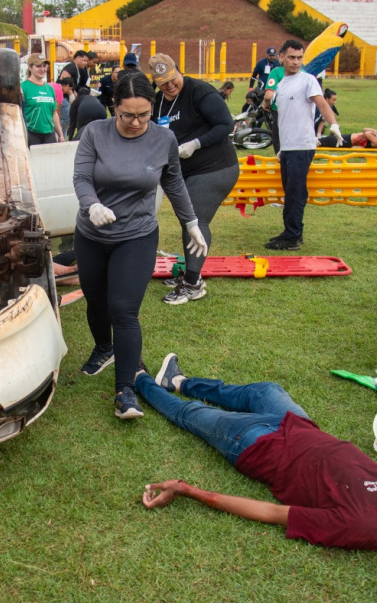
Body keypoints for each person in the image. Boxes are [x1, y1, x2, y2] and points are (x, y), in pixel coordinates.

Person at [136, 354, 377, 577]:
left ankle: (138, 379)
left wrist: (188, 490)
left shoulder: (360, 528)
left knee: (191, 415)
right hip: (301, 426)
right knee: (264, 391)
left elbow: (271, 513)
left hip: (259, 447)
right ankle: (179, 381)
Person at [72, 74, 205, 419]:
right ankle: (104, 348)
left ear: (152, 109)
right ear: (114, 108)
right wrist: (91, 205)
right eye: (127, 115)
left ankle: (125, 392)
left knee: (123, 310)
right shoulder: (95, 133)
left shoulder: (163, 139)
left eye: (143, 115)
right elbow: (82, 177)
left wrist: (190, 223)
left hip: (137, 234)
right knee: (96, 300)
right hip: (92, 233)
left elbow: (173, 182)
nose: (135, 123)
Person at [150, 54, 241, 305]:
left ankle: (193, 282)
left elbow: (226, 124)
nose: (169, 86)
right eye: (162, 83)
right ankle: (191, 272)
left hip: (215, 167)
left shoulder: (199, 91)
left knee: (195, 220)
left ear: (179, 71)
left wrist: (196, 144)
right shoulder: (158, 102)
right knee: (186, 220)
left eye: (172, 79)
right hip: (183, 172)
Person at [262, 39, 342, 251]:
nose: (296, 62)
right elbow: (280, 114)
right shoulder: (281, 83)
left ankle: (293, 237)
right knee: (290, 192)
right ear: (281, 57)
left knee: (296, 193)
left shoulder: (308, 80)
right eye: (291, 57)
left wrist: (333, 125)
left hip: (302, 146)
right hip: (288, 147)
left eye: (299, 58)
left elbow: (322, 104)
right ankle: (289, 232)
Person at [21, 52, 64, 145]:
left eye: (45, 66)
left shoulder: (50, 89)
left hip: (49, 134)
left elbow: (54, 113)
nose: (42, 69)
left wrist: (60, 134)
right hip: (31, 134)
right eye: (38, 66)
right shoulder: (23, 87)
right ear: (30, 67)